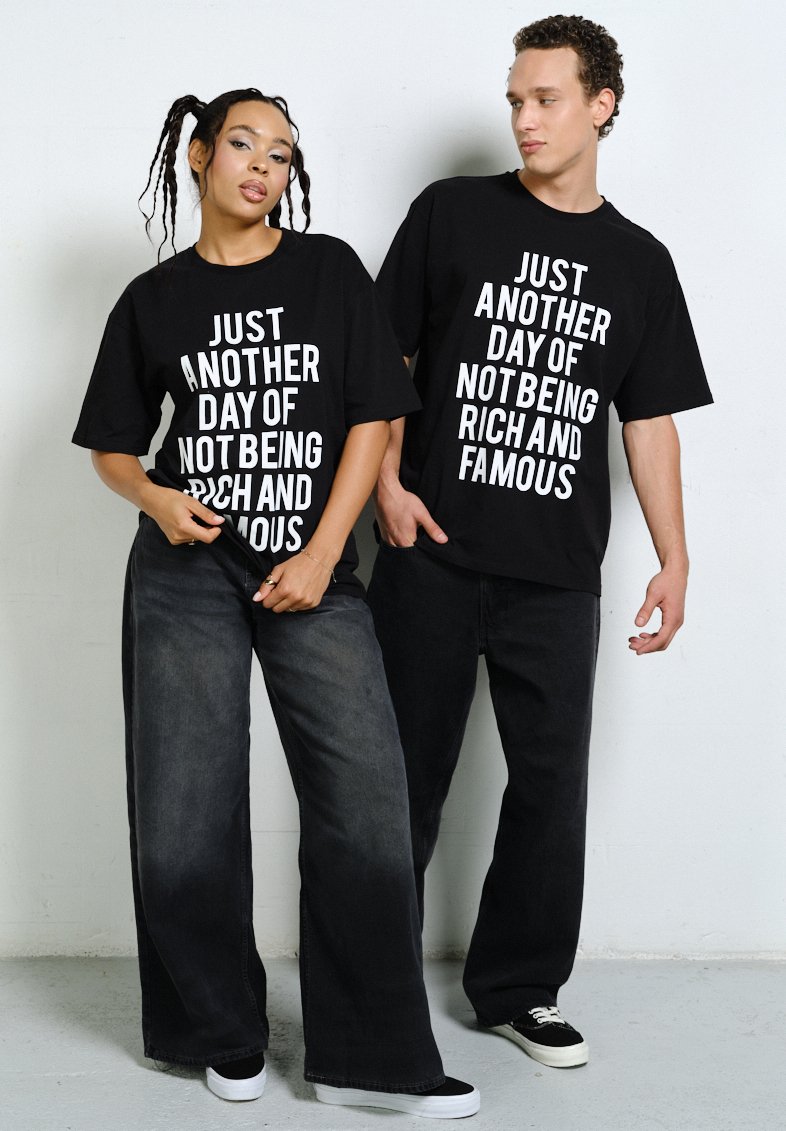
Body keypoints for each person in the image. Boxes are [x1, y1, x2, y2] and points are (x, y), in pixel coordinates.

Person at [72, 88, 479, 1120]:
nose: (264, 165)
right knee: (182, 814)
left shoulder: (328, 270)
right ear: (200, 156)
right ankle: (220, 1031)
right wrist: (157, 497)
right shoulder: (151, 300)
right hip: (184, 568)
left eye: (283, 153)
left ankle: (374, 1060)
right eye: (244, 144)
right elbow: (116, 450)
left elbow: (374, 417)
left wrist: (323, 548)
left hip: (311, 565)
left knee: (366, 807)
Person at [368, 14, 712, 1071]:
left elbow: (645, 420)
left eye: (545, 97)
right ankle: (370, 989)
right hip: (428, 552)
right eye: (514, 97)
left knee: (550, 791)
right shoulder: (451, 215)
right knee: (394, 786)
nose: (522, 116)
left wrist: (676, 556)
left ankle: (517, 989)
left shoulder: (638, 263)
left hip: (556, 577)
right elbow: (382, 361)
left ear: (600, 103)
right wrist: (382, 482)